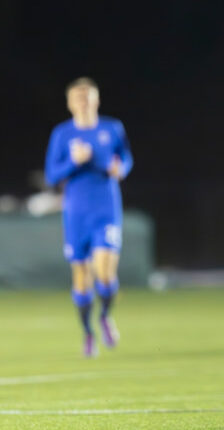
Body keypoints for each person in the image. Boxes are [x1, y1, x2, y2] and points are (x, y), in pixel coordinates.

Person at [45, 77, 133, 358]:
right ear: (70, 104)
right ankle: (87, 332)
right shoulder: (62, 134)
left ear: (97, 99)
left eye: (88, 97)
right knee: (81, 278)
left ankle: (105, 315)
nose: (83, 102)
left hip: (106, 209)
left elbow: (126, 159)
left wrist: (121, 168)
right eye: (77, 98)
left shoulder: (112, 128)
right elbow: (51, 175)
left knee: (105, 273)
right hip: (76, 213)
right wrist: (75, 161)